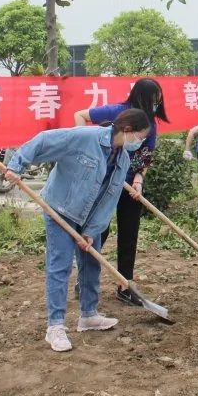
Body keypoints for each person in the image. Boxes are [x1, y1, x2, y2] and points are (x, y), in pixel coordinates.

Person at [5, 108, 151, 352]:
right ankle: (55, 326)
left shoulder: (123, 160)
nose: (141, 142)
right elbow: (44, 140)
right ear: (127, 130)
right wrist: (16, 165)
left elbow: (109, 200)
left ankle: (88, 315)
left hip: (90, 216)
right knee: (60, 265)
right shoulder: (85, 137)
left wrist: (91, 231)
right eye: (140, 136)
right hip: (61, 208)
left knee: (91, 263)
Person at [73, 78, 168, 307]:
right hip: (104, 183)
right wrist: (88, 152)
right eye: (153, 99)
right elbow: (80, 115)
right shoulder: (116, 111)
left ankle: (125, 285)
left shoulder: (150, 123)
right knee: (98, 230)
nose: (156, 104)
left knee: (129, 232)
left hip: (129, 186)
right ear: (141, 97)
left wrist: (139, 178)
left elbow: (147, 153)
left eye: (158, 100)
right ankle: (84, 280)